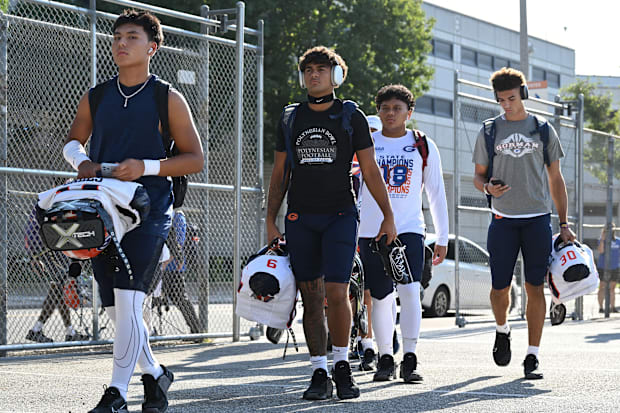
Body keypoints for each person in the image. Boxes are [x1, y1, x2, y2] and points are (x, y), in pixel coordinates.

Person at [63, 10, 203, 412]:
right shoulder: (97, 95)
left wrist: (147, 166)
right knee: (113, 306)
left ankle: (117, 394)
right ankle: (156, 375)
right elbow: (73, 142)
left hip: (149, 210)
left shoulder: (168, 98)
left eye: (132, 37)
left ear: (152, 48)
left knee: (126, 301)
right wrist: (81, 162)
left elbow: (195, 159)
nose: (121, 43)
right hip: (103, 210)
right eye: (117, 37)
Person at [266, 46, 396, 400]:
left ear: (337, 76)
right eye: (308, 69)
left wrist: (388, 215)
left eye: (322, 69)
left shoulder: (350, 115)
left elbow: (369, 170)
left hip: (340, 214)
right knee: (311, 297)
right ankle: (318, 370)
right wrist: (270, 220)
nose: (314, 75)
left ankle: (342, 365)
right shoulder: (290, 118)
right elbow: (280, 174)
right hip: (300, 217)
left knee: (337, 293)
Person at [472, 67, 575, 380]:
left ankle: (533, 356)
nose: (506, 104)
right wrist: (487, 188)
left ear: (524, 94)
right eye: (501, 99)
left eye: (512, 98)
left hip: (537, 221)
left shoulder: (542, 130)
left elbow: (555, 179)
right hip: (502, 221)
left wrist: (564, 222)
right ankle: (502, 330)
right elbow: (477, 177)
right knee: (498, 288)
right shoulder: (489, 131)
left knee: (535, 287)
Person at [358, 84, 449, 383]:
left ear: (409, 113)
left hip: (408, 228)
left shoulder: (422, 145)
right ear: (378, 111)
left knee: (410, 291)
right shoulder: (366, 146)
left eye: (397, 108)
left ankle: (410, 357)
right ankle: (386, 357)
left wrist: (443, 237)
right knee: (381, 296)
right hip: (370, 230)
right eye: (385, 108)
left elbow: (436, 193)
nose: (390, 113)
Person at [24, 216, 89, 343]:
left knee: (58, 289)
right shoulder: (52, 202)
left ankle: (69, 332)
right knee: (58, 288)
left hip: (50, 244)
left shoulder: (46, 202)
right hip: (50, 246)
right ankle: (37, 330)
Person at [157, 209, 201, 333]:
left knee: (179, 298)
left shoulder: (177, 216)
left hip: (173, 268)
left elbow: (179, 243)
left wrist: (166, 262)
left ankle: (196, 330)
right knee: (151, 299)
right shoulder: (159, 211)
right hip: (157, 266)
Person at [597, 226, 619, 313]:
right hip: (603, 266)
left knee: (612, 288)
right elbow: (601, 251)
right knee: (602, 286)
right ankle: (601, 308)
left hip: (614, 267)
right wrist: (603, 239)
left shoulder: (618, 241)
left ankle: (612, 307)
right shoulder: (602, 241)